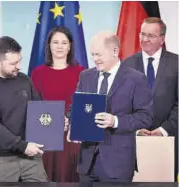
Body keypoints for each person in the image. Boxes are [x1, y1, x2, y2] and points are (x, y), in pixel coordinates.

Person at [67, 31, 153, 182]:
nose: (95, 59)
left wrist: (115, 121)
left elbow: (145, 117)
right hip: (86, 163)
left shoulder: (136, 79)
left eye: (99, 54)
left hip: (118, 165)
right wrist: (72, 123)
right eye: (92, 54)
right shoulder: (85, 76)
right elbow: (75, 107)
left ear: (115, 51)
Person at [0, 36, 48, 182]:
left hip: (30, 157)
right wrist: (22, 146)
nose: (18, 66)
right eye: (13, 63)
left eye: (19, 60)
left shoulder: (24, 80)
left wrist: (57, 123)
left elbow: (39, 111)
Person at [124, 17, 178, 181]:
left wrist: (163, 130)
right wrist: (136, 128)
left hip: (169, 139)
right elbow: (122, 104)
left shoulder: (176, 64)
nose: (145, 39)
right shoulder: (126, 65)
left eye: (151, 36)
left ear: (162, 39)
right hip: (134, 141)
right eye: (142, 34)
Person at [31, 26, 84, 182]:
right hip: (46, 139)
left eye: (64, 42)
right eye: (55, 42)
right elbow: (33, 107)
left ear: (70, 46)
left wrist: (71, 121)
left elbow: (85, 106)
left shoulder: (82, 73)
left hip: (72, 139)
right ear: (49, 45)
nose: (59, 46)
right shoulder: (38, 73)